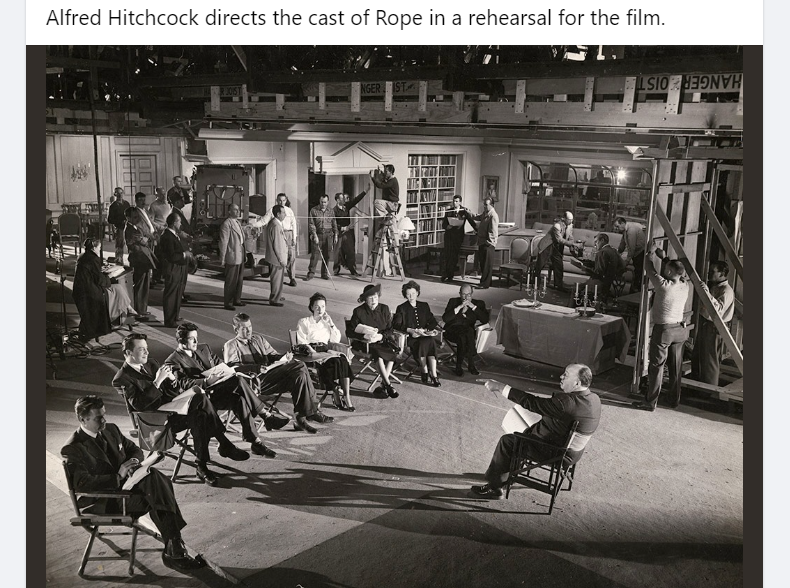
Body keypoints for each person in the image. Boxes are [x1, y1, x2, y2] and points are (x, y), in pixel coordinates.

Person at [61, 396, 205, 570]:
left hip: (126, 489)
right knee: (157, 490)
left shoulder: (111, 429)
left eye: (104, 415)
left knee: (155, 480)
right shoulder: (73, 447)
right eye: (98, 418)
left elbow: (134, 450)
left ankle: (174, 547)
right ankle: (174, 547)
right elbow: (82, 483)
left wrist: (134, 462)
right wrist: (118, 475)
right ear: (82, 419)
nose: (104, 420)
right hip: (104, 500)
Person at [112, 333, 251, 486]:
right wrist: (157, 381)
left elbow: (171, 390)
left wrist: (172, 380)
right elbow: (139, 405)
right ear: (129, 353)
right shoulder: (121, 378)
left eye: (146, 348)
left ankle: (203, 464)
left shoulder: (151, 363)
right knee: (200, 414)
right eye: (141, 349)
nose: (147, 352)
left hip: (174, 409)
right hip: (156, 421)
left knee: (200, 403)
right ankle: (216, 450)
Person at [469, 364, 601, 499]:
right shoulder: (594, 398)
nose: (561, 376)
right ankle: (507, 473)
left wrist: (500, 387)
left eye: (566, 375)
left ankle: (495, 487)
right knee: (527, 431)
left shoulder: (566, 402)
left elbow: (532, 402)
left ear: (577, 383)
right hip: (573, 452)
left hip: (556, 454)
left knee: (508, 441)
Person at [164, 322, 278, 457]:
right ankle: (265, 415)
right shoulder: (173, 360)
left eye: (196, 337)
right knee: (238, 382)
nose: (196, 341)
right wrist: (206, 381)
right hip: (201, 400)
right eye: (191, 339)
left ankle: (256, 442)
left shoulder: (204, 348)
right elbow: (183, 384)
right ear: (181, 341)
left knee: (239, 398)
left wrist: (227, 372)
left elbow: (221, 364)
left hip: (217, 391)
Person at [223, 313, 335, 434]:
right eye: (244, 328)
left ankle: (300, 418)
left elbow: (273, 355)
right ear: (236, 329)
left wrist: (284, 357)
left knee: (299, 375)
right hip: (253, 383)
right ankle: (311, 412)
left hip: (270, 376)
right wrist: (256, 368)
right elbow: (233, 367)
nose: (249, 330)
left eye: (249, 326)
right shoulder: (231, 345)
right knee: (300, 366)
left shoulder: (258, 339)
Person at [632, 245, 690, 411]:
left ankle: (650, 402)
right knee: (675, 367)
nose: (664, 270)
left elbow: (648, 267)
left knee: (656, 367)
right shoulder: (685, 284)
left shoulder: (663, 285)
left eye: (666, 269)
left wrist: (650, 252)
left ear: (669, 272)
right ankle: (673, 400)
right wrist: (664, 258)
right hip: (680, 330)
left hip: (664, 330)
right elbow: (676, 270)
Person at [296, 293, 356, 411]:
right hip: (311, 351)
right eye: (317, 307)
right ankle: (335, 390)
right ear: (312, 307)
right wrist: (312, 351)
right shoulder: (304, 321)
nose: (320, 310)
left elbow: (335, 339)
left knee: (342, 360)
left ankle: (346, 396)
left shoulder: (326, 322)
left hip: (326, 350)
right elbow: (301, 341)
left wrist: (331, 323)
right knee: (334, 363)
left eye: (323, 306)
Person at [347, 283, 400, 398]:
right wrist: (364, 337)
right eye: (370, 298)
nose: (373, 300)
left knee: (391, 354)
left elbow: (390, 329)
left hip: (381, 341)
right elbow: (349, 332)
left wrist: (381, 336)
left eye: (375, 297)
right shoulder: (358, 311)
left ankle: (384, 385)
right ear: (365, 299)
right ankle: (388, 385)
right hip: (365, 344)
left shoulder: (384, 309)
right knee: (378, 355)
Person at [691, 261, 735, 386]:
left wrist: (707, 293)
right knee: (699, 356)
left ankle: (709, 390)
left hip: (715, 327)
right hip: (706, 324)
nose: (709, 273)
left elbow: (718, 311)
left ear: (721, 274)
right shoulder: (716, 286)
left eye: (712, 271)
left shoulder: (726, 291)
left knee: (710, 361)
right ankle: (697, 386)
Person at [393, 280, 441, 387]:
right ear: (405, 295)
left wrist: (428, 330)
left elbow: (432, 321)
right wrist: (410, 330)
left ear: (418, 293)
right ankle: (424, 369)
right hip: (411, 337)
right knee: (422, 343)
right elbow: (396, 325)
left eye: (413, 293)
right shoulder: (402, 308)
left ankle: (433, 374)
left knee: (430, 341)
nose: (411, 296)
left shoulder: (424, 305)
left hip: (425, 335)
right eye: (408, 294)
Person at [442, 284, 490, 376]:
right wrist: (459, 307)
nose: (466, 297)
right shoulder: (453, 301)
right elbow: (445, 319)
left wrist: (473, 307)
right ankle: (471, 364)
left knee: (465, 334)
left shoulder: (479, 303)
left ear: (472, 294)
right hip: (452, 331)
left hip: (467, 334)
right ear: (460, 294)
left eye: (468, 295)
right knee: (467, 333)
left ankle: (459, 366)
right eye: (463, 294)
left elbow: (485, 320)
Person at [72, 238, 112, 342]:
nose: (100, 249)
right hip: (88, 292)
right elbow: (99, 279)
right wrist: (109, 277)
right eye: (99, 247)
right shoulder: (94, 258)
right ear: (94, 248)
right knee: (106, 296)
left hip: (79, 290)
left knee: (88, 315)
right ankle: (93, 333)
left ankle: (86, 333)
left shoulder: (82, 256)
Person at [124, 207, 157, 321]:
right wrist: (146, 239)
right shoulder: (130, 229)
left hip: (143, 259)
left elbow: (144, 239)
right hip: (138, 259)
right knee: (139, 285)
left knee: (145, 284)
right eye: (134, 217)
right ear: (128, 218)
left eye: (138, 217)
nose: (137, 219)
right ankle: (138, 311)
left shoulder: (135, 227)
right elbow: (142, 241)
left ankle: (142, 309)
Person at [159, 212, 192, 328]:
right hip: (172, 268)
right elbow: (171, 256)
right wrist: (185, 254)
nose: (180, 224)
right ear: (174, 223)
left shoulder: (173, 234)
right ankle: (169, 320)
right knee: (171, 294)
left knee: (177, 293)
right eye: (179, 222)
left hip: (178, 267)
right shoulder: (168, 236)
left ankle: (174, 316)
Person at [262, 194, 298, 287]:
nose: (282, 202)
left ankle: (292, 278)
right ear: (277, 200)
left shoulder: (289, 211)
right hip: (279, 233)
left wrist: (294, 238)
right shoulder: (272, 210)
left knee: (291, 257)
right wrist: (253, 225)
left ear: (286, 200)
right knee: (279, 256)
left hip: (289, 233)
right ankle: (277, 279)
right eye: (280, 200)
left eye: (284, 200)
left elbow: (294, 224)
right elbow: (264, 221)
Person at [332, 187, 369, 276]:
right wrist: (343, 228)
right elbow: (333, 224)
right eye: (342, 199)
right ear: (338, 200)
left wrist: (365, 191)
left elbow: (356, 200)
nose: (344, 200)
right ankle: (336, 270)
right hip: (338, 233)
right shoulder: (333, 211)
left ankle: (353, 270)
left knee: (351, 251)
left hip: (347, 233)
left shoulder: (347, 207)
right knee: (337, 252)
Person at [535, 211, 575, 292]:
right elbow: (559, 239)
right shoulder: (557, 225)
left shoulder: (570, 226)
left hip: (556, 248)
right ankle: (535, 283)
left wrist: (572, 243)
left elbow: (570, 237)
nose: (571, 222)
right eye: (569, 220)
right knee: (540, 265)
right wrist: (570, 244)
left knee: (559, 265)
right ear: (564, 219)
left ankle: (558, 285)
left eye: (572, 220)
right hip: (547, 246)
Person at [441, 195, 477, 282]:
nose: (455, 203)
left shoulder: (464, 211)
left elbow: (471, 222)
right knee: (447, 256)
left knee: (454, 256)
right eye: (454, 201)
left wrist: (477, 230)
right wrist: (447, 226)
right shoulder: (449, 211)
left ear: (460, 202)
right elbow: (444, 224)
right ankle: (447, 274)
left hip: (458, 237)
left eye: (456, 201)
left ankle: (450, 275)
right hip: (449, 236)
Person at [218, 203, 246, 311]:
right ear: (229, 211)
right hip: (232, 255)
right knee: (231, 280)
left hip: (240, 254)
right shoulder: (226, 224)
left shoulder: (237, 222)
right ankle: (228, 302)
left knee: (239, 279)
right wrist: (222, 258)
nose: (238, 212)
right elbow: (223, 242)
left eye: (238, 209)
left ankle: (237, 299)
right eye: (235, 210)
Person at [583, 233, 624, 301]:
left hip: (598, 283)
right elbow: (622, 266)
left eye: (596, 242)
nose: (594, 244)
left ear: (602, 240)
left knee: (577, 289)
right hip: (608, 283)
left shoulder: (602, 252)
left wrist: (586, 269)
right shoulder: (614, 250)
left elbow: (599, 272)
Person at [306, 194, 338, 281]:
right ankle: (311, 273)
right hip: (318, 234)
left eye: (325, 202)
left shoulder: (331, 211)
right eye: (321, 202)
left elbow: (334, 223)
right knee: (315, 255)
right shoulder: (313, 210)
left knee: (327, 255)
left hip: (329, 235)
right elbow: (311, 224)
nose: (323, 204)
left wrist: (336, 234)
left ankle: (324, 273)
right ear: (319, 201)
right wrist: (314, 235)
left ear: (328, 202)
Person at [614, 217, 647, 293]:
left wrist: (627, 261)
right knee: (637, 273)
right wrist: (617, 254)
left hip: (640, 253)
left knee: (638, 273)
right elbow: (622, 244)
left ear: (622, 223)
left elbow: (632, 248)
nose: (616, 229)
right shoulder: (625, 230)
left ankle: (635, 292)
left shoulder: (631, 230)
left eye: (617, 226)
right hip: (636, 253)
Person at [472, 197, 499, 289]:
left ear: (492, 205)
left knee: (487, 265)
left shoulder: (493, 215)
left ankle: (484, 284)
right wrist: (469, 213)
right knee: (483, 264)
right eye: (484, 204)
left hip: (488, 244)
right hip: (482, 242)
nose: (484, 206)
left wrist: (489, 242)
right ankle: (487, 282)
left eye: (486, 205)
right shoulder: (485, 213)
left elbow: (493, 232)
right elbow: (478, 217)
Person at [147, 187, 172, 285]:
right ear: (157, 195)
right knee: (158, 255)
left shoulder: (169, 204)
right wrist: (160, 227)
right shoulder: (153, 206)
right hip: (159, 233)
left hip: (168, 231)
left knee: (167, 255)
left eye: (164, 193)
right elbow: (151, 221)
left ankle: (165, 276)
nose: (164, 196)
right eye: (161, 194)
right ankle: (156, 277)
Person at [265, 204, 287, 307]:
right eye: (283, 213)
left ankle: (277, 295)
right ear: (278, 214)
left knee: (278, 279)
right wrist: (281, 260)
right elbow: (277, 245)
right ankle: (274, 299)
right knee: (276, 279)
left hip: (274, 256)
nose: (285, 214)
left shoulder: (273, 223)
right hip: (276, 258)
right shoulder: (276, 226)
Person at [107, 187, 130, 264]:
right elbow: (110, 220)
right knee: (119, 245)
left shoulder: (126, 204)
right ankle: (119, 260)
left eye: (121, 193)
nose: (120, 195)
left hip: (128, 227)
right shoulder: (113, 206)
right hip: (119, 228)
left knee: (130, 244)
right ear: (115, 194)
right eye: (118, 193)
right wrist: (120, 221)